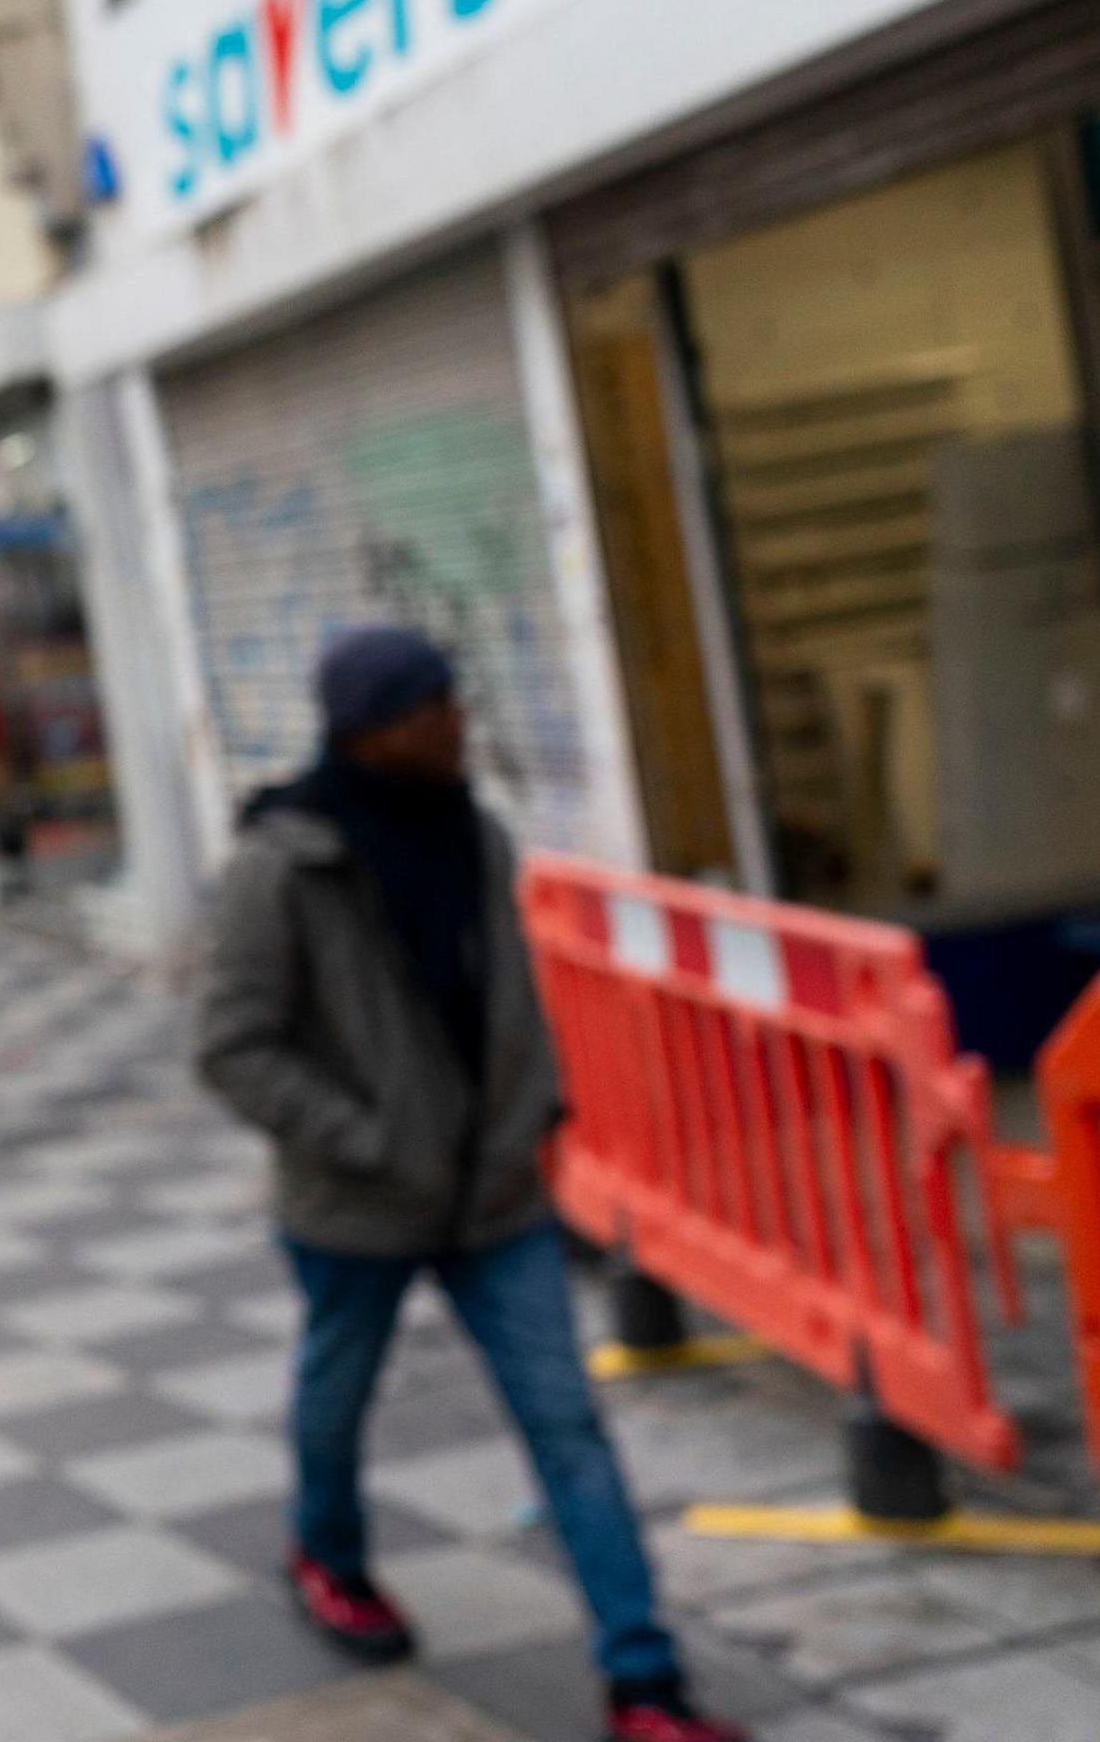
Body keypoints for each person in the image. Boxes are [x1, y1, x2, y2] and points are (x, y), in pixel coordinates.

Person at [196, 626, 740, 1742]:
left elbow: (507, 1003)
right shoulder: (282, 865)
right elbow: (233, 1047)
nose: (461, 721)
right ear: (378, 729)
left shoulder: (477, 836)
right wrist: (364, 1138)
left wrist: (532, 1111)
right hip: (356, 1207)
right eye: (438, 705)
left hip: (495, 1204)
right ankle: (328, 1552)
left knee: (567, 1425)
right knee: (337, 1402)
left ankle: (644, 1682)